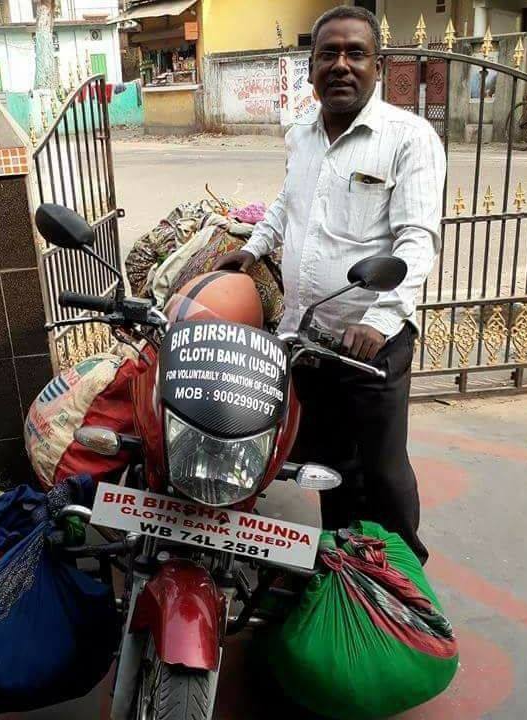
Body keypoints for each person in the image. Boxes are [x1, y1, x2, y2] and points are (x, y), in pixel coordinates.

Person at [213, 6, 446, 564]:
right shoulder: (303, 138)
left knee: (384, 477)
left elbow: (416, 240)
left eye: (355, 53)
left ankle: (403, 587)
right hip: (310, 341)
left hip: (371, 345)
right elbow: (286, 208)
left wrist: (380, 319)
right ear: (311, 67)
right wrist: (250, 250)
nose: (341, 65)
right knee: (331, 473)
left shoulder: (407, 139)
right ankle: (342, 574)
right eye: (328, 54)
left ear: (378, 65)